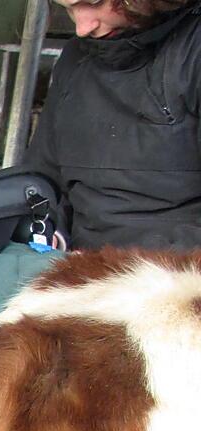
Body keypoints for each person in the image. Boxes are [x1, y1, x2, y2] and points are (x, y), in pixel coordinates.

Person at [25, 0, 201, 249]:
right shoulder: (76, 58)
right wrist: (50, 234)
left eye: (94, 3)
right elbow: (42, 183)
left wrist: (128, 272)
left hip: (175, 272)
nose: (82, 27)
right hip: (81, 269)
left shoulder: (193, 51)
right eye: (67, 7)